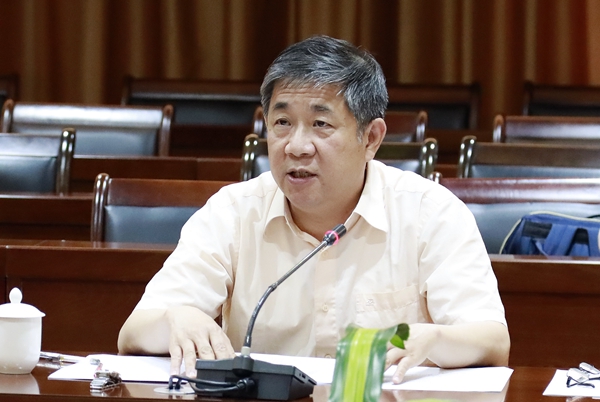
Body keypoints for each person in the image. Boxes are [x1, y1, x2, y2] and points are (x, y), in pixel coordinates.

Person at [118, 35, 510, 384]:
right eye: (282, 122)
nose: (296, 146)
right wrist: (176, 318)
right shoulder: (233, 213)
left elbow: (492, 341)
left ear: (371, 138)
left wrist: (435, 338)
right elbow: (134, 333)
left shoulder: (430, 213)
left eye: (321, 124)